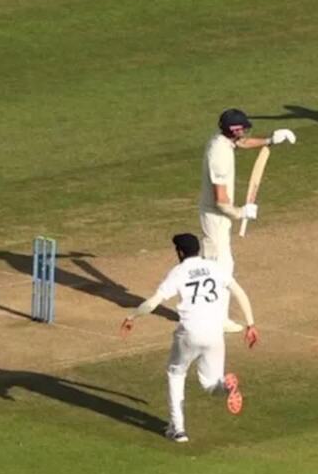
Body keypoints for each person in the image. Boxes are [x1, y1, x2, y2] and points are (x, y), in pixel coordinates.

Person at [119, 233, 259, 443]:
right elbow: (240, 293)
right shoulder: (214, 267)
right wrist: (250, 324)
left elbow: (153, 302)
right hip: (215, 332)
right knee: (212, 385)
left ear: (180, 252)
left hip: (190, 332)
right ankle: (227, 386)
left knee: (176, 373)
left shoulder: (178, 272)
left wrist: (132, 316)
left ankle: (178, 429)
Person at [199, 107, 295, 332]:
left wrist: (270, 140)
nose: (245, 132)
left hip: (221, 216)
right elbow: (221, 201)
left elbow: (242, 143)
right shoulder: (219, 155)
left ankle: (211, 314)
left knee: (221, 265)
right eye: (242, 129)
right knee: (220, 267)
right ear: (233, 130)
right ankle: (216, 318)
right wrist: (242, 212)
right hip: (215, 216)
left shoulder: (223, 140)